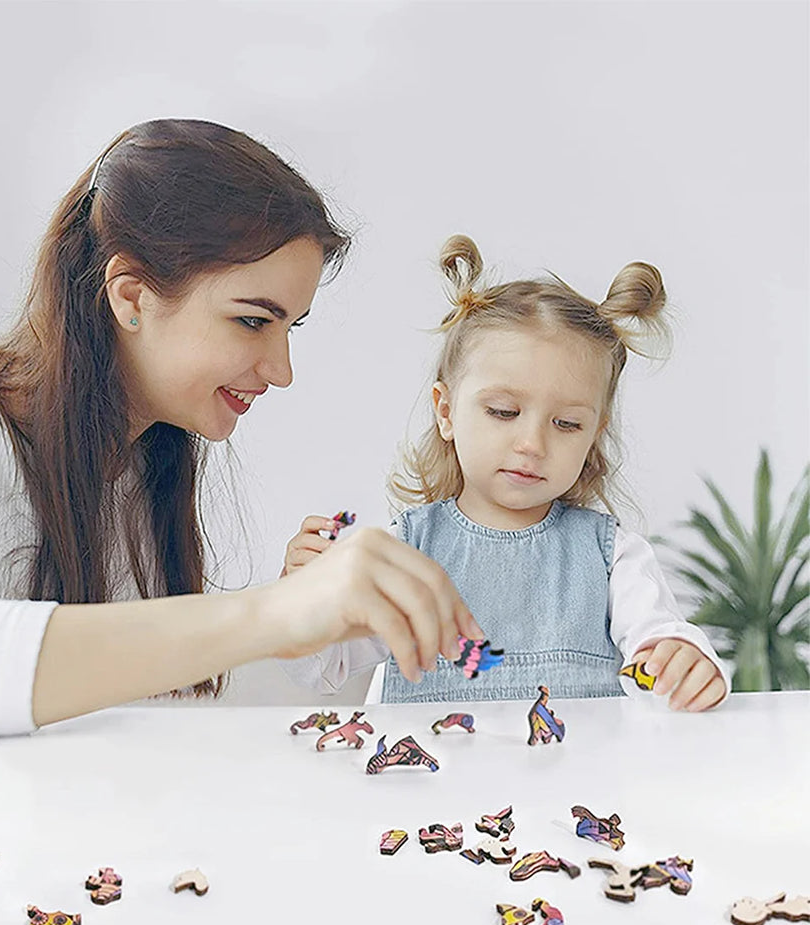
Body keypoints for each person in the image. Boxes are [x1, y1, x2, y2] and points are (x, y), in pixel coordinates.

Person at [0, 121, 481, 743]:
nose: (281, 369)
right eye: (252, 320)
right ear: (131, 295)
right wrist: (270, 614)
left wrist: (315, 624)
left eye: (289, 327)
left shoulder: (152, 456)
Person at [280, 234, 730, 711]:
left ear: (593, 434)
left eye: (566, 424)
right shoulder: (405, 552)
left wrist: (687, 660)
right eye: (502, 411)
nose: (532, 444)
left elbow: (660, 645)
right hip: (430, 782)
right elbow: (319, 669)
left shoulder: (613, 556)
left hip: (579, 784)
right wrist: (302, 595)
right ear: (446, 411)